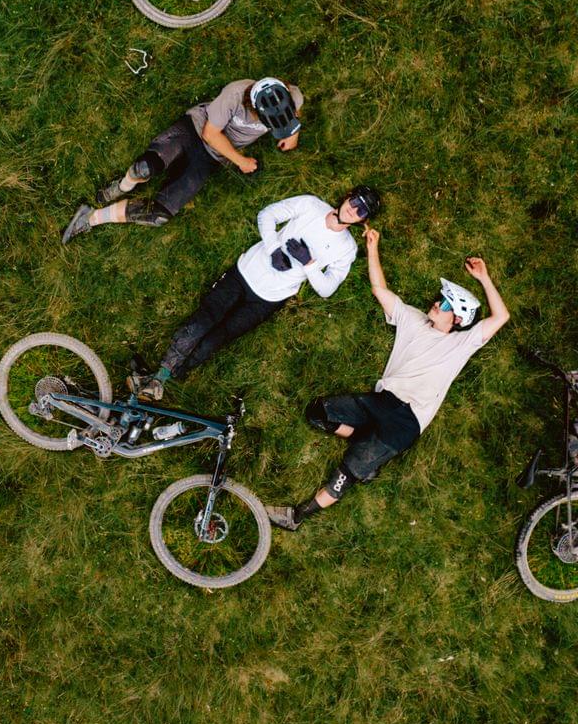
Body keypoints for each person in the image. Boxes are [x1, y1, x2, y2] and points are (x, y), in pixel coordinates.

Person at [266, 230, 510, 531]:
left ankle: (296, 517)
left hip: (405, 421)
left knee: (346, 473)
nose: (437, 304)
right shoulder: (413, 319)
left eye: (446, 305)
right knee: (318, 412)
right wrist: (372, 247)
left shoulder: (461, 344)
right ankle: (363, 440)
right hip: (382, 401)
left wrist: (484, 279)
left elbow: (501, 317)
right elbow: (379, 289)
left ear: (458, 319)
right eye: (440, 299)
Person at [139, 185, 382, 400]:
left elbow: (327, 289)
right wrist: (274, 249)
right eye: (354, 202)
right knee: (203, 320)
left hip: (269, 299)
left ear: (363, 220)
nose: (353, 210)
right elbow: (267, 214)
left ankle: (169, 378)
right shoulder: (311, 205)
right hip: (244, 272)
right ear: (347, 196)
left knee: (219, 337)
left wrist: (308, 263)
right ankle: (162, 371)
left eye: (361, 211)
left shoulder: (346, 249)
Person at [61, 76, 304, 244]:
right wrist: (240, 161)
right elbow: (210, 134)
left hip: (210, 159)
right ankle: (121, 187)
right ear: (252, 106)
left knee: (159, 215)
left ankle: (90, 218)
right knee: (144, 168)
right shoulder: (235, 94)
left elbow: (296, 111)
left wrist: (292, 132)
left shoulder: (293, 97)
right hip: (194, 131)